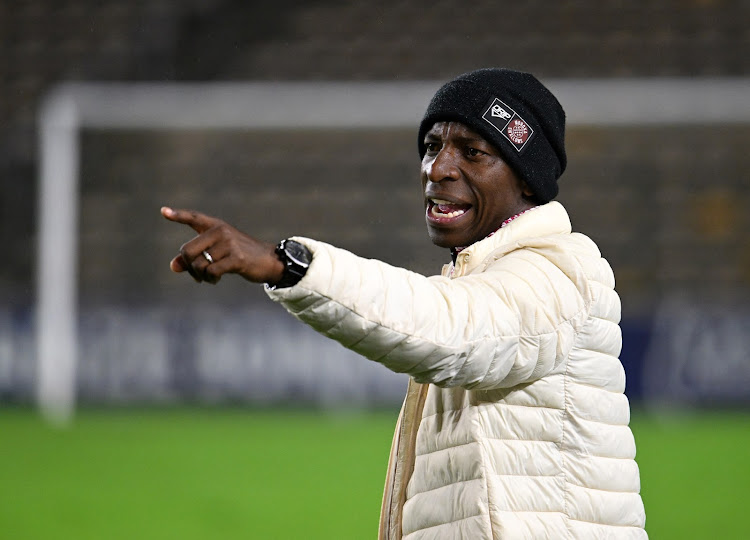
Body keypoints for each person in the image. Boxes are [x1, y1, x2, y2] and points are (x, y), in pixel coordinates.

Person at [162, 68, 647, 539]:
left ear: (525, 178)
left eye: (472, 152)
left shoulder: (557, 272)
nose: (437, 169)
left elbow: (448, 329)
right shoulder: (485, 275)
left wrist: (285, 264)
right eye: (432, 147)